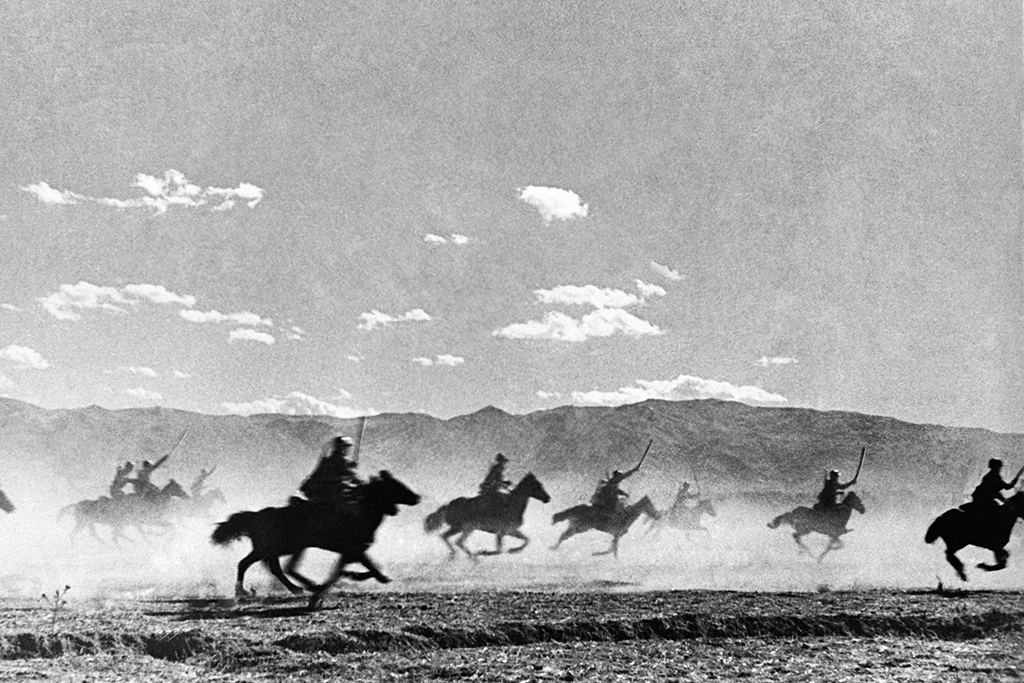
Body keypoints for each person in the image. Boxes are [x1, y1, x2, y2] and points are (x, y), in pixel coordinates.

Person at [299, 435, 363, 509]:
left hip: (319, 493)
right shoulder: (340, 461)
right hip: (329, 495)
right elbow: (354, 477)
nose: (347, 449)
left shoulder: (328, 460)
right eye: (345, 447)